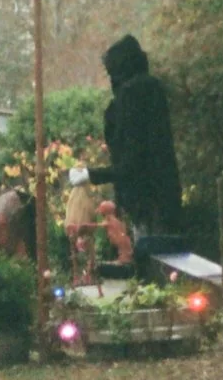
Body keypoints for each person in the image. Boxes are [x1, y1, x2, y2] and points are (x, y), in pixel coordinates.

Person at [69, 34, 182, 239]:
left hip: (147, 201)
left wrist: (92, 175)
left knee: (151, 255)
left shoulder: (133, 96)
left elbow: (133, 161)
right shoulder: (151, 91)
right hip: (160, 195)